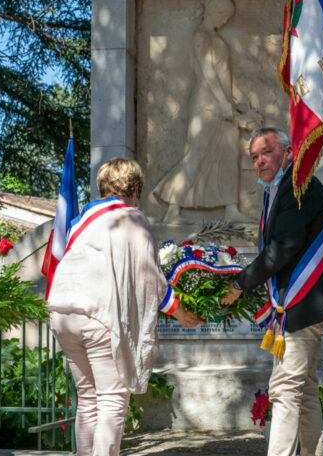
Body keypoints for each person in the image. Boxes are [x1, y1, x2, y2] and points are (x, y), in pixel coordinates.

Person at [47, 158, 204, 456]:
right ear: (135, 189)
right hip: (98, 317)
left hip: (62, 313)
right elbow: (148, 277)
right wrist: (180, 311)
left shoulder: (82, 220)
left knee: (88, 399)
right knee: (111, 401)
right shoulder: (131, 217)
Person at [221, 128, 323, 456]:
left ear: (288, 153)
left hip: (303, 304)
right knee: (303, 392)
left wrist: (238, 284)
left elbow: (281, 249)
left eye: (266, 152)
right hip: (305, 306)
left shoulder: (296, 187)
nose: (259, 162)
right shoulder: (279, 190)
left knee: (285, 390)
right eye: (254, 157)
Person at [153, 0, 246, 222]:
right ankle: (172, 210)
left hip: (223, 107)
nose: (225, 21)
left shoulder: (215, 37)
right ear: (214, 12)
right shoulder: (201, 36)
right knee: (195, 155)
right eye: (224, 16)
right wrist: (222, 103)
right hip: (206, 105)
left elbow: (224, 77)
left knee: (229, 154)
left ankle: (231, 209)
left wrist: (232, 105)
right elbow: (207, 71)